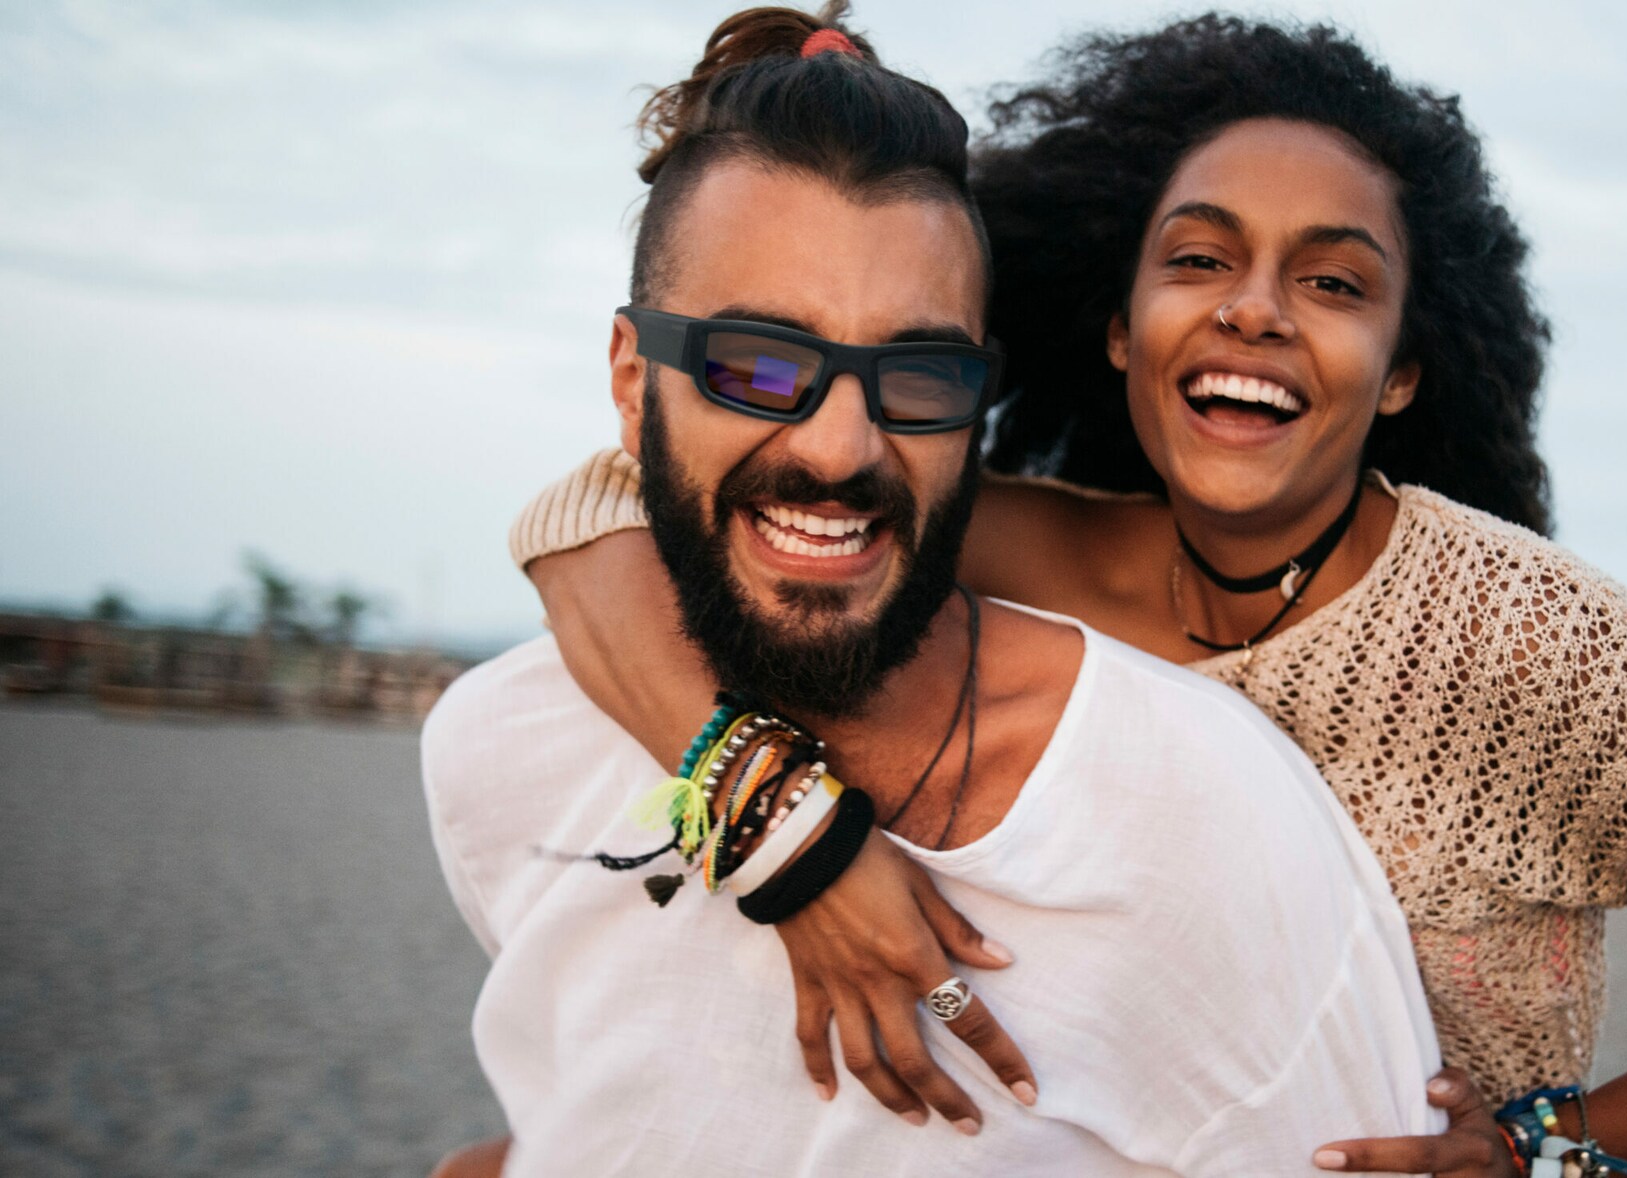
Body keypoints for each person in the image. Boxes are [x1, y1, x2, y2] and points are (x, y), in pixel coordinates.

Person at [516, 9, 1627, 1176]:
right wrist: (786, 828)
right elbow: (598, 515)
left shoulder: (1535, 639)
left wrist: (1550, 1153)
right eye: (1198, 258)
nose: (1254, 308)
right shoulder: (1002, 543)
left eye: (1334, 283)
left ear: (1405, 366)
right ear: (1117, 323)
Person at [423, 8, 1446, 1176]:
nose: (839, 447)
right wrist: (776, 822)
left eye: (915, 376)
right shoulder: (496, 747)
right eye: (756, 364)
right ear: (628, 379)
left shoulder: (1206, 820)